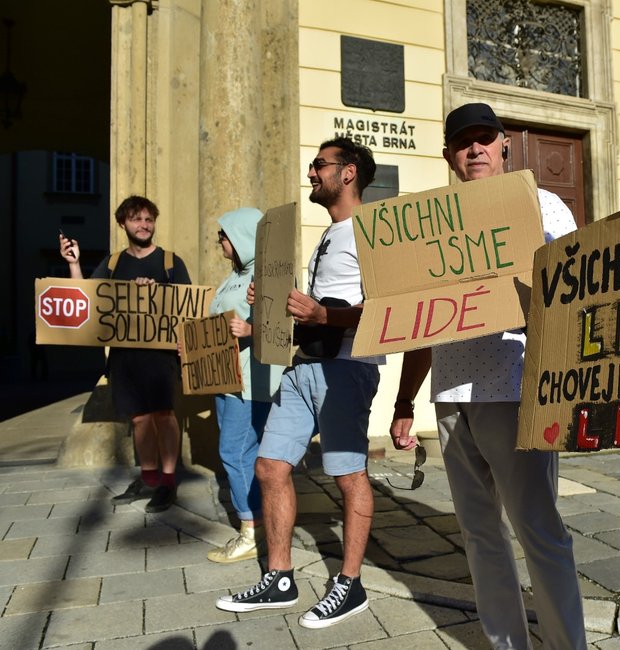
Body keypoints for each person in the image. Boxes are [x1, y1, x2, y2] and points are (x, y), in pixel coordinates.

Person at [390, 103, 587, 650]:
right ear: (449, 154)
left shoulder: (544, 204)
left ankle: (565, 645)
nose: (474, 149)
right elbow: (417, 320)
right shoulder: (431, 223)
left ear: (504, 145)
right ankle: (506, 644)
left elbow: (570, 297)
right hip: (450, 394)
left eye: (484, 139)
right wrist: (405, 400)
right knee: (479, 535)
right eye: (462, 142)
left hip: (515, 388)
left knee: (538, 530)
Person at [215, 137, 384, 631]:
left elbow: (384, 309)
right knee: (269, 467)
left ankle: (350, 586)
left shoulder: (372, 232)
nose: (311, 172)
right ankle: (280, 576)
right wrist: (269, 305)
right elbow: (313, 314)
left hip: (348, 369)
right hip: (305, 365)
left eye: (319, 165)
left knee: (348, 474)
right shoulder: (330, 235)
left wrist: (321, 311)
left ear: (348, 173)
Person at [60, 195, 191, 513]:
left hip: (161, 359)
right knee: (139, 419)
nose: (144, 225)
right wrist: (74, 263)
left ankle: (168, 482)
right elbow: (87, 298)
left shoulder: (170, 262)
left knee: (164, 416)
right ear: (123, 223)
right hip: (124, 358)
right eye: (136, 219)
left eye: (149, 219)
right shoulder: (114, 263)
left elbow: (187, 307)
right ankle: (148, 478)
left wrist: (157, 293)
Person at [204, 208, 284, 563]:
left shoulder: (270, 273)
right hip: (226, 378)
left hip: (252, 380)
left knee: (234, 453)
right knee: (242, 454)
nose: (220, 241)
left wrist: (250, 330)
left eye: (224, 234)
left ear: (242, 236)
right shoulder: (232, 277)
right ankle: (260, 524)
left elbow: (285, 326)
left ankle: (249, 532)